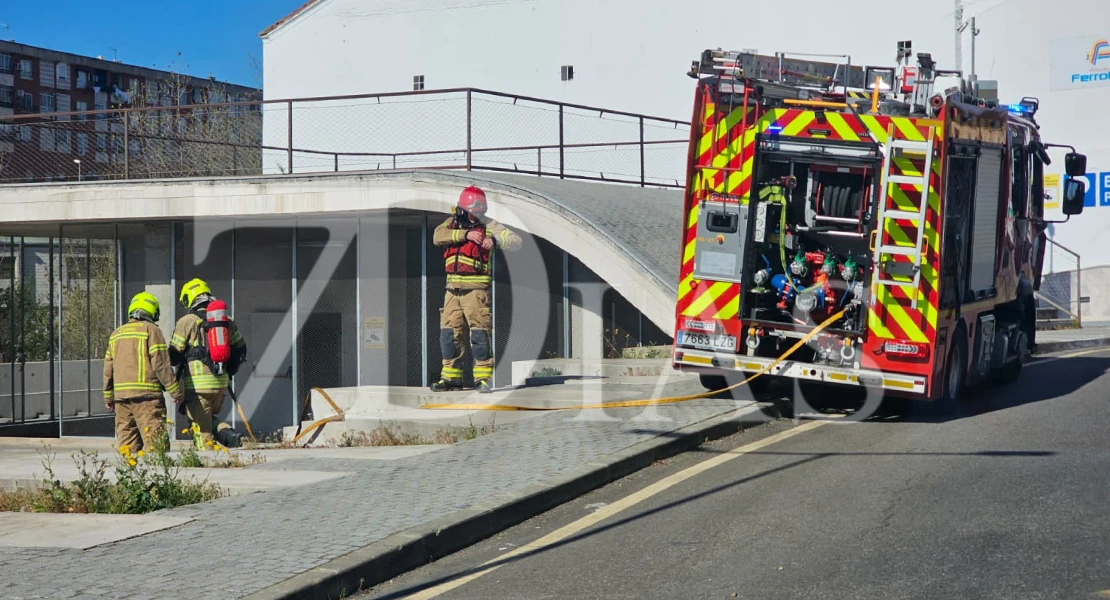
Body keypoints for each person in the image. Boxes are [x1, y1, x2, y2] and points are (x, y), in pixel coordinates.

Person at [431, 185, 521, 393]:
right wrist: (466, 235)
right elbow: (438, 236)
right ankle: (451, 378)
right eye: (472, 210)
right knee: (448, 334)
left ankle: (484, 379)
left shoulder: (490, 225)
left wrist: (496, 241)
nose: (475, 215)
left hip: (476, 290)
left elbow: (516, 241)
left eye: (479, 211)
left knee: (480, 334)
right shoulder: (452, 224)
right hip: (452, 289)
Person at [170, 278, 247, 449]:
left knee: (201, 430)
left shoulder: (187, 321)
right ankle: (232, 436)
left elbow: (174, 355)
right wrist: (228, 371)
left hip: (198, 387)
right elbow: (241, 349)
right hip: (220, 384)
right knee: (207, 418)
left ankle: (209, 466)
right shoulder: (227, 319)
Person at [103, 292, 184, 452]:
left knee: (127, 448)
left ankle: (130, 476)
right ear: (152, 311)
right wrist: (175, 391)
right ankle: (158, 476)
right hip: (147, 399)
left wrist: (108, 395)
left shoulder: (116, 334)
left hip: (121, 400)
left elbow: (108, 368)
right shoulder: (151, 330)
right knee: (156, 447)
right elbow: (160, 364)